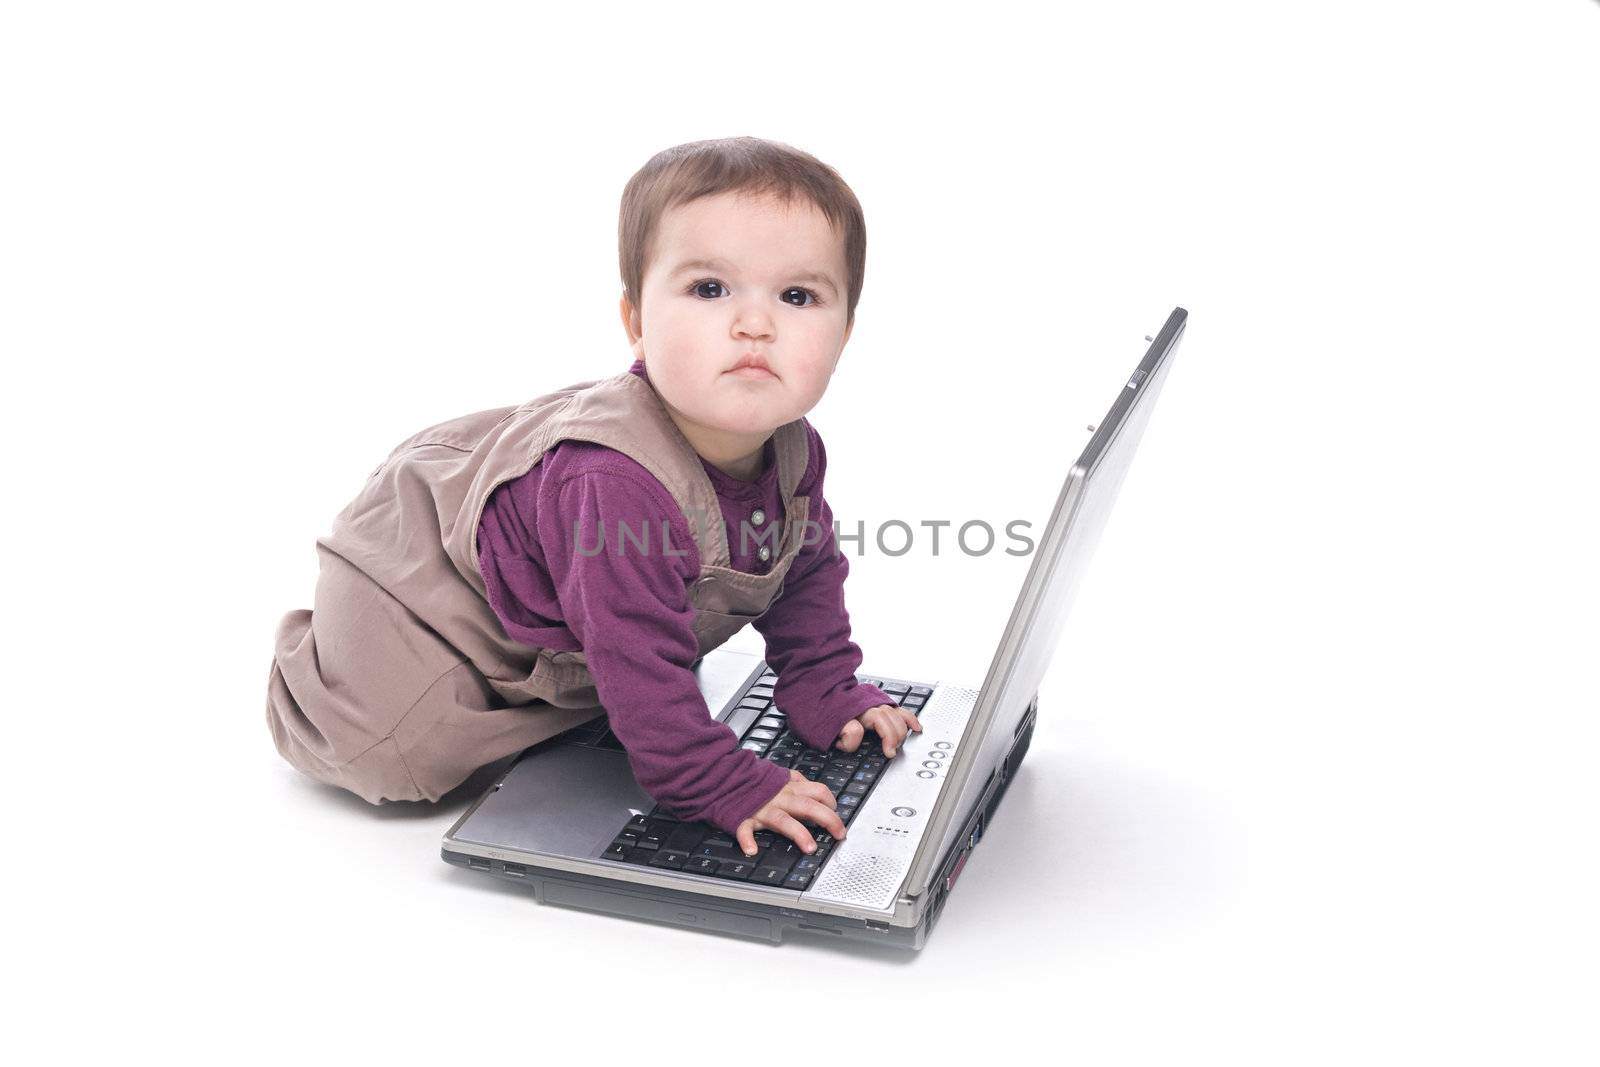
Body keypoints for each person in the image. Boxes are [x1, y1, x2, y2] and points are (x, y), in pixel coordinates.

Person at [266, 136, 920, 860]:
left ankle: (581, 698)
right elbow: (639, 662)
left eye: (798, 296)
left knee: (630, 663)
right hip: (428, 600)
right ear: (637, 322)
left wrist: (825, 686)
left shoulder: (793, 444)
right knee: (393, 758)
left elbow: (803, 572)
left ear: (845, 333)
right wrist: (720, 779)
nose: (755, 323)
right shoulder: (613, 482)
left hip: (576, 615)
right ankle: (312, 672)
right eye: (709, 289)